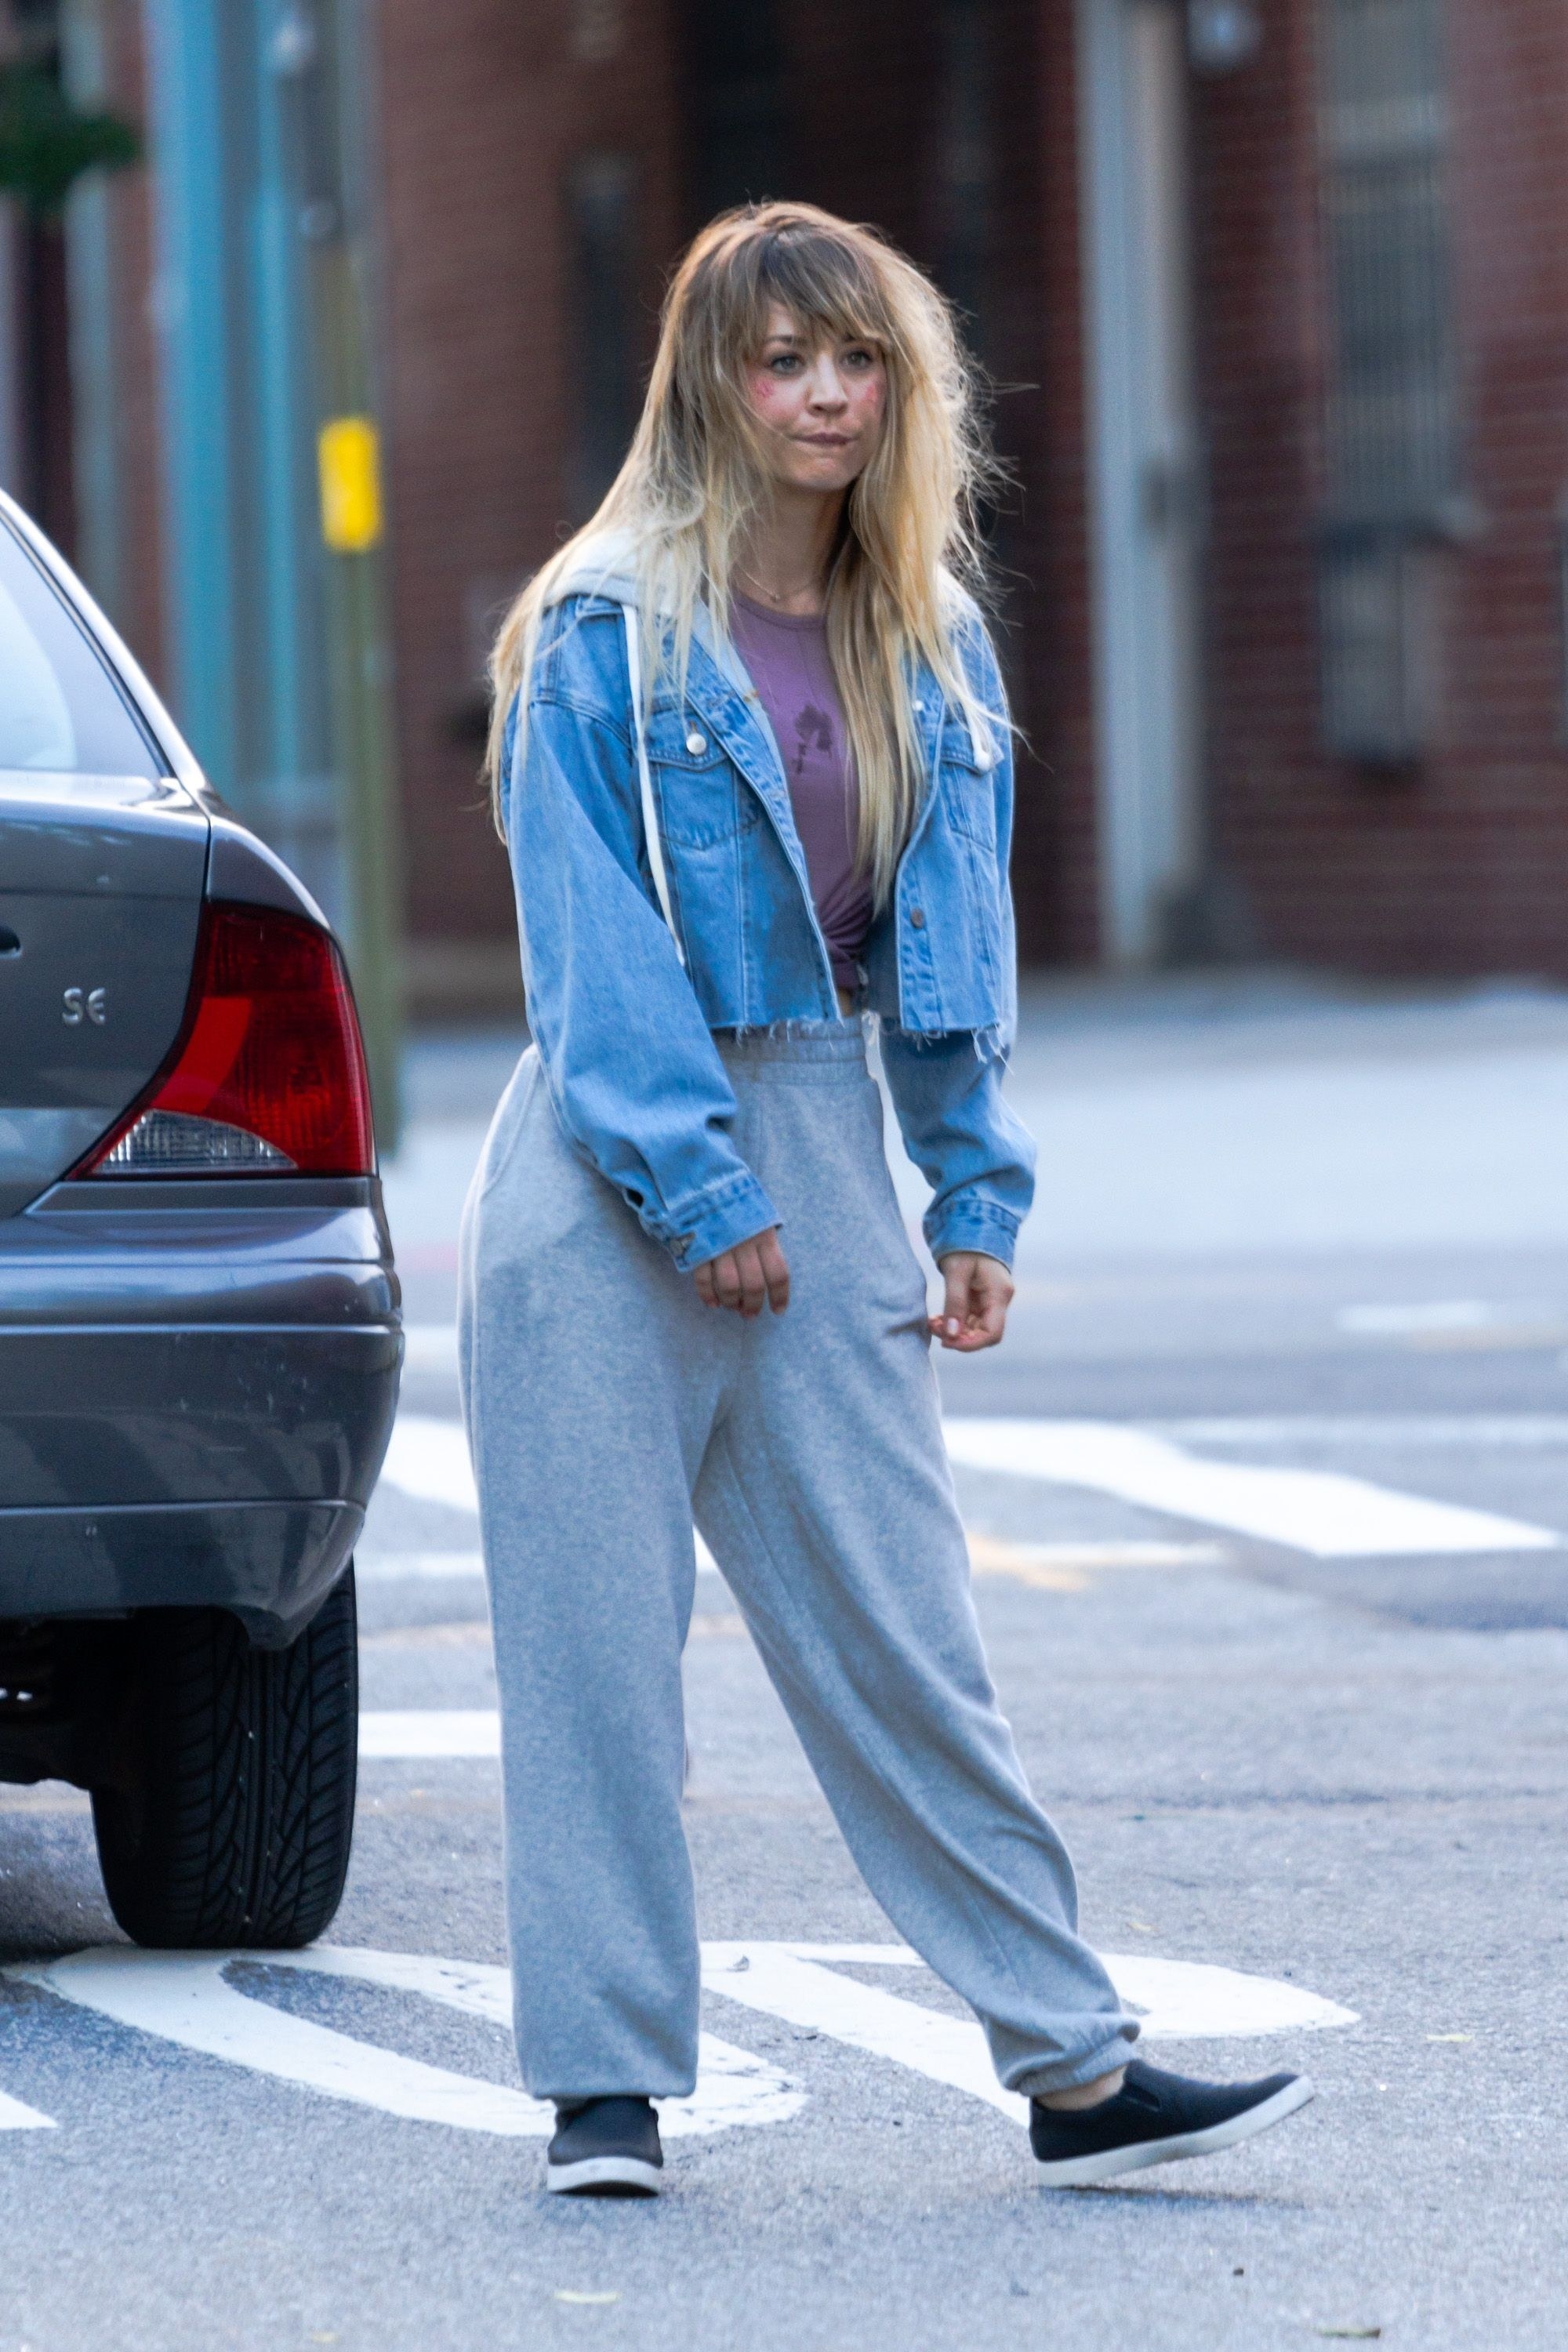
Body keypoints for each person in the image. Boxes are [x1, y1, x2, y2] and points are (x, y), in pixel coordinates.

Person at [461, 201, 1313, 2197]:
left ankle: (1073, 2072)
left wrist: (975, 1195)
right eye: (782, 360)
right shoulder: (603, 631)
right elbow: (588, 953)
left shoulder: (925, 632)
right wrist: (690, 1182)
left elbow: (954, 945)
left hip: (818, 1128)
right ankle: (606, 2092)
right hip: (604, 1165)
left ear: (899, 384)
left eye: (855, 358)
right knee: (594, 1650)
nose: (824, 392)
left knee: (909, 1635)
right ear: (715, 385)